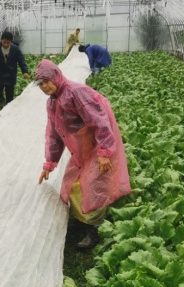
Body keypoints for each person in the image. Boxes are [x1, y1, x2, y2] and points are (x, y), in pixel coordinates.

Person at [35, 59, 131, 249]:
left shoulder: (76, 93)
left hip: (96, 146)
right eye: (40, 83)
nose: (44, 86)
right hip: (81, 149)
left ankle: (94, 229)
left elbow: (100, 121)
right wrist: (50, 162)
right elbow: (54, 133)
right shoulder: (52, 103)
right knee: (72, 184)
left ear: (56, 76)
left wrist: (104, 152)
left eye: (47, 80)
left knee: (94, 185)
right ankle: (82, 220)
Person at [0, 31, 30, 110]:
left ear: (11, 42)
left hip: (10, 74)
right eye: (4, 42)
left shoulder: (16, 49)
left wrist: (25, 71)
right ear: (1, 40)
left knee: (9, 92)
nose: (6, 44)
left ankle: (9, 107)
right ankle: (1, 103)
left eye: (8, 42)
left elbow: (21, 61)